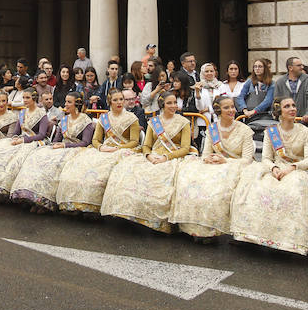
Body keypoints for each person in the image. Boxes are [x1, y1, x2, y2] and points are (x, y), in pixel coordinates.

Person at [230, 97, 308, 255]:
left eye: (294, 106)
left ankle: (290, 240)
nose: (292, 109)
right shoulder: (271, 132)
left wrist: (292, 167)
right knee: (254, 187)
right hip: (276, 169)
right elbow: (266, 158)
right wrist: (274, 168)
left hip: (299, 170)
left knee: (292, 190)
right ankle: (253, 235)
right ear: (279, 112)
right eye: (287, 106)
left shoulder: (305, 132)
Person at [102, 91, 191, 232]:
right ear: (162, 105)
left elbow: (186, 148)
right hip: (153, 156)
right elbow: (146, 145)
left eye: (175, 102)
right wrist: (149, 156)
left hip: (173, 157)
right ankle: (131, 214)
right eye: (169, 103)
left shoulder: (183, 122)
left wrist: (165, 158)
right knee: (128, 172)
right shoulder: (154, 122)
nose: (173, 106)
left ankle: (160, 221)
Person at [172, 96, 255, 239]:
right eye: (226, 107)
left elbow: (247, 160)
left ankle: (212, 231)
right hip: (215, 166)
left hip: (235, 167)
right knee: (191, 182)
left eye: (232, 107)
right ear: (218, 110)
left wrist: (225, 161)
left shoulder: (245, 130)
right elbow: (205, 154)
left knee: (216, 191)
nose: (231, 110)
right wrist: (208, 159)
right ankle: (193, 228)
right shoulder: (213, 129)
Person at [56, 88, 139, 214]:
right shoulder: (104, 118)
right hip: (103, 149)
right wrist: (101, 147)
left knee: (101, 173)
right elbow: (96, 140)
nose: (119, 102)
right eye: (115, 100)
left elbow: (134, 141)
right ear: (109, 102)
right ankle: (76, 203)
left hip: (122, 150)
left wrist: (117, 148)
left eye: (121, 99)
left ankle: (93, 208)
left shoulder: (132, 118)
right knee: (81, 166)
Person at [10, 91, 95, 211]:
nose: (65, 104)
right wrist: (52, 147)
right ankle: (34, 197)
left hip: (76, 150)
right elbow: (57, 139)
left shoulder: (86, 120)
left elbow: (85, 142)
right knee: (39, 158)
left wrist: (64, 146)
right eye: (65, 101)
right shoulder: (65, 120)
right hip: (61, 148)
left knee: (54, 167)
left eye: (69, 102)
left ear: (77, 104)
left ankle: (47, 202)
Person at [273, 57, 308, 124]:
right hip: (285, 121)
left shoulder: (307, 79)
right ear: (290, 68)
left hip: (303, 120)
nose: (302, 67)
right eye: (299, 65)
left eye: (302, 65)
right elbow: (276, 101)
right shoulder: (280, 82)